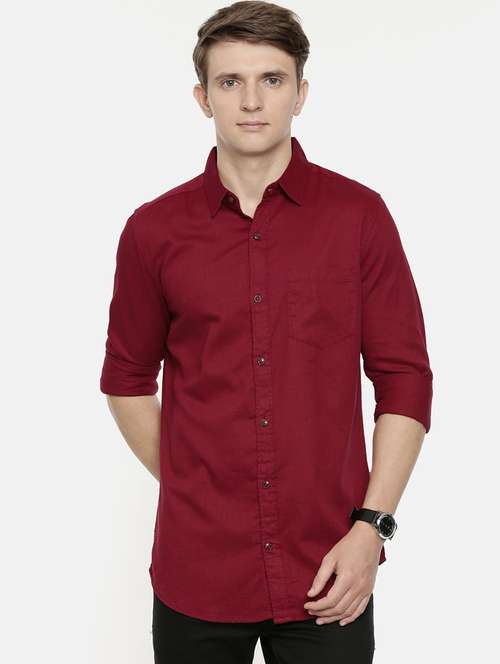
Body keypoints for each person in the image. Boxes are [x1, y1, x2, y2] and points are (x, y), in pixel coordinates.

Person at [99, 1, 433, 662]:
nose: (251, 101)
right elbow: (127, 380)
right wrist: (193, 484)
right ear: (203, 97)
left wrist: (371, 528)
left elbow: (405, 380)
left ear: (300, 93)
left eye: (272, 80)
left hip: (330, 567)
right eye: (230, 82)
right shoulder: (153, 232)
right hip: (198, 570)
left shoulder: (359, 217)